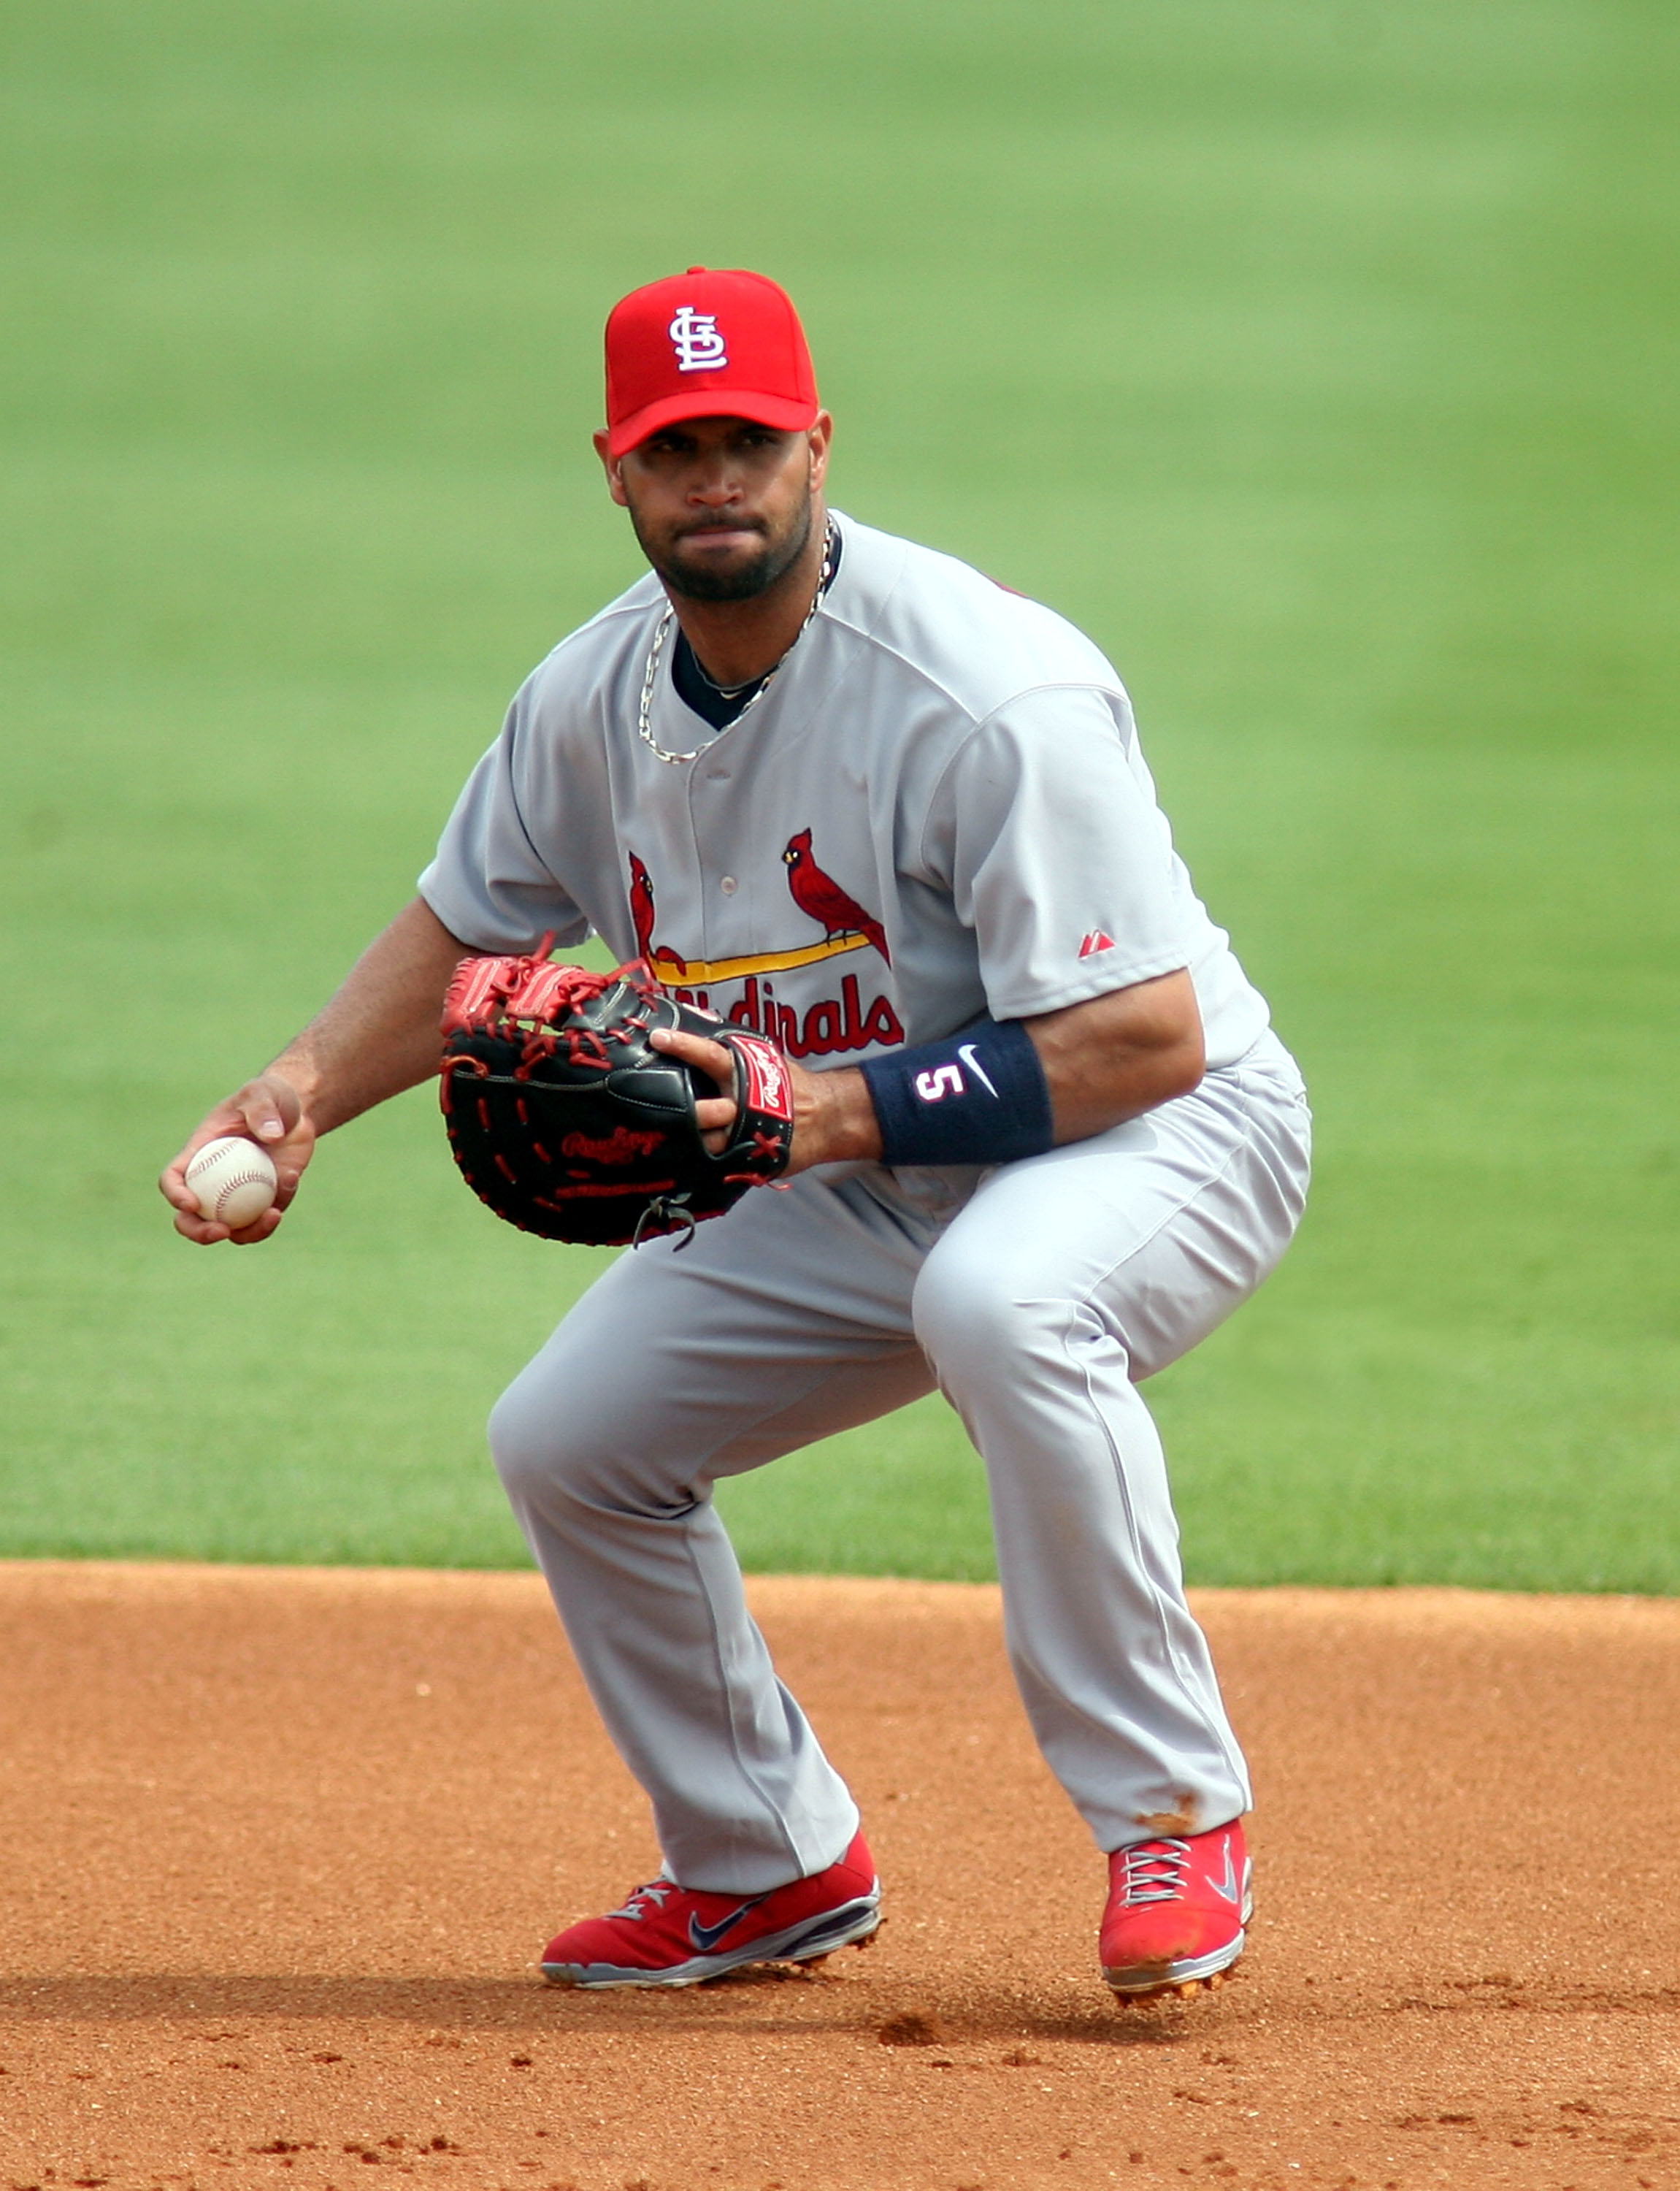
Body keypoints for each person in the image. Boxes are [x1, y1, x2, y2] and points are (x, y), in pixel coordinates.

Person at [162, 267, 1311, 2002]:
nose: (719, 479)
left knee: (1004, 1304)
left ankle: (1169, 1813)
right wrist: (303, 1088)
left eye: (751, 442)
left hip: (1154, 1137)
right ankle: (761, 1862)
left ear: (818, 448)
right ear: (615, 474)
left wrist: (815, 1113)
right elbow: (479, 917)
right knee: (570, 1439)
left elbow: (1139, 1035)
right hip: (845, 1158)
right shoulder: (588, 699)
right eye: (676, 446)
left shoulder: (984, 693)